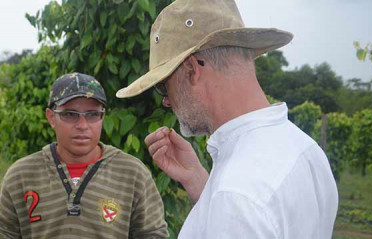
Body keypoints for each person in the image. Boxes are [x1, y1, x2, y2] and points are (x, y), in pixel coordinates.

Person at [116, 0, 338, 238]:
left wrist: (223, 194)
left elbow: (239, 206)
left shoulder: (236, 195)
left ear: (192, 70)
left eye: (163, 86)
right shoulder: (305, 148)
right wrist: (199, 180)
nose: (166, 101)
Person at [0, 73, 169, 238]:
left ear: (102, 117)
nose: (82, 125)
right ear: (51, 118)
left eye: (92, 114)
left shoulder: (132, 173)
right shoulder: (21, 175)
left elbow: (153, 234)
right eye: (69, 114)